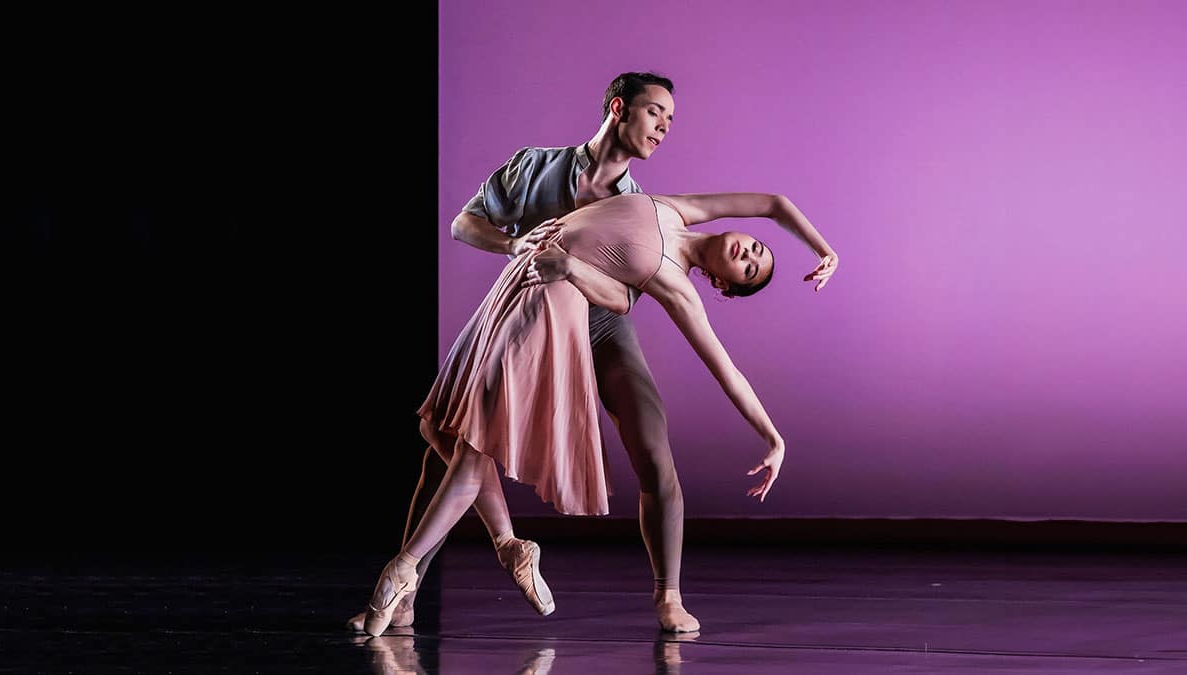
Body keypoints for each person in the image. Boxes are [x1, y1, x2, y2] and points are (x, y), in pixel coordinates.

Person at [357, 189, 839, 637]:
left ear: (721, 284)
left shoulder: (676, 286)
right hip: (514, 287)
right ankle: (506, 548)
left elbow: (727, 371)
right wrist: (825, 251)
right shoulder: (679, 209)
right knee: (442, 428)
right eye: (756, 248)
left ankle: (402, 571)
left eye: (751, 269)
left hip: (546, 308)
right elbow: (775, 202)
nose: (750, 255)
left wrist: (774, 439)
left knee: (474, 443)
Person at [352, 70, 707, 634]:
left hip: (598, 325)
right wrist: (511, 242)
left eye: (670, 119)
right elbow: (464, 223)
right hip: (532, 321)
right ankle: (408, 593)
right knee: (451, 443)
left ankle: (669, 596)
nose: (664, 127)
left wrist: (575, 272)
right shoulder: (535, 166)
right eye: (655, 113)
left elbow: (620, 300)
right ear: (618, 108)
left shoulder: (642, 207)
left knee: (652, 441)